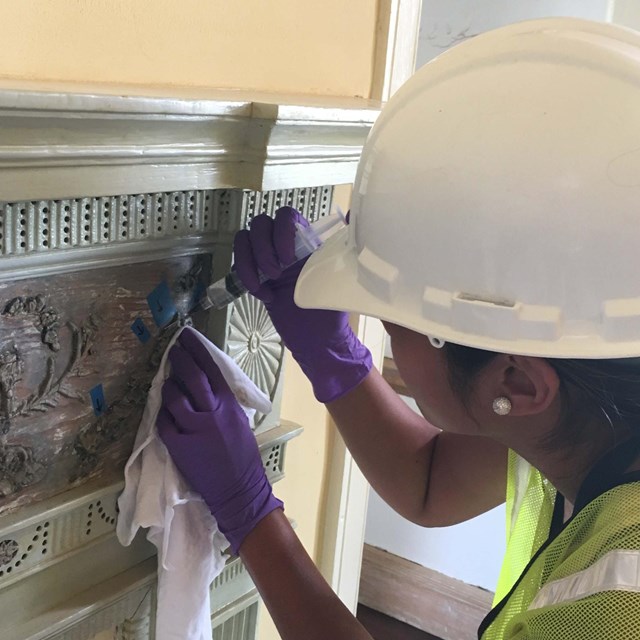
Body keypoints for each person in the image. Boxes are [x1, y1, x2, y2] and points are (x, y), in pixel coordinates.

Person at [156, 17, 640, 640]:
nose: (379, 324)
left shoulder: (616, 608)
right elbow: (432, 482)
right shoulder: (596, 391)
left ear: (517, 383)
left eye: (399, 320)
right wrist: (332, 356)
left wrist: (249, 513)